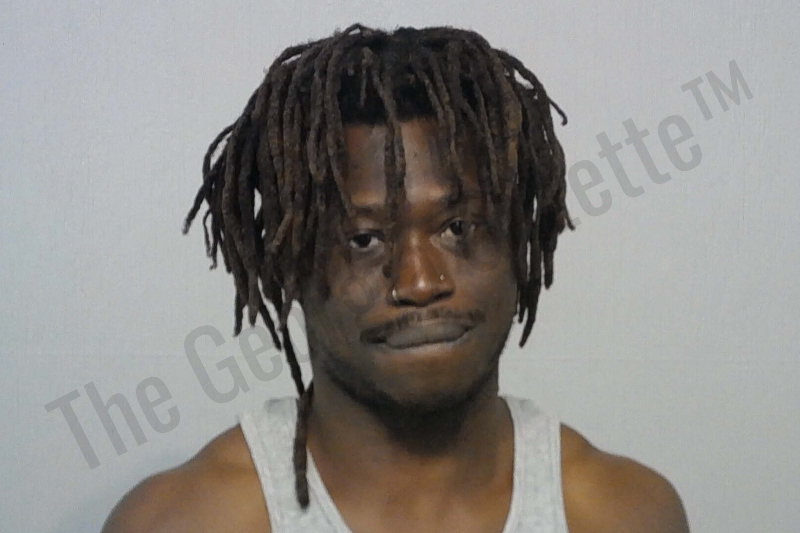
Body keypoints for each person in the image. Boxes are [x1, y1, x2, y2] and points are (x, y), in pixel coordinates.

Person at [103, 24, 690, 533]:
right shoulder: (182, 521)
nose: (420, 282)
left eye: (458, 227)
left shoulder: (623, 514)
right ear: (286, 265)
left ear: (522, 242)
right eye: (364, 240)